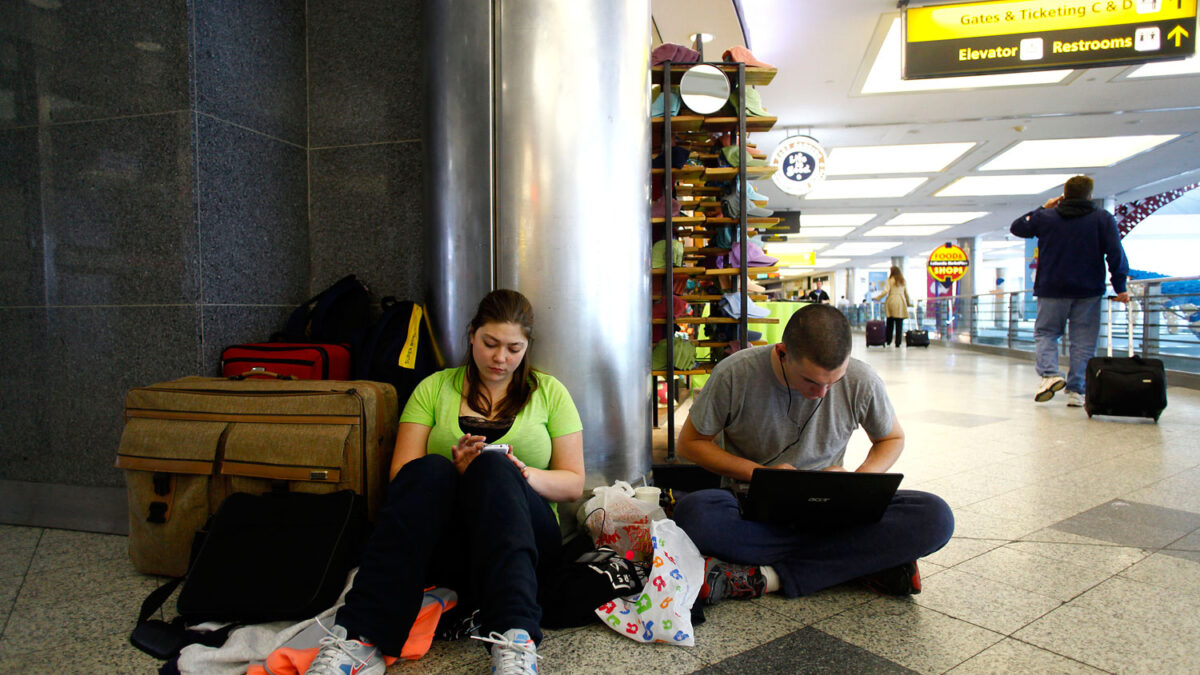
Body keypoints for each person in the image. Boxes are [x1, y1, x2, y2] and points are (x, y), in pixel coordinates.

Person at [306, 289, 584, 675]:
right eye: (489, 344)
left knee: (493, 468)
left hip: (524, 541)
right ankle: (361, 639)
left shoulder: (549, 392)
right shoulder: (434, 388)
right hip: (447, 543)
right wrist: (457, 473)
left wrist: (520, 473)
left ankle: (515, 637)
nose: (500, 358)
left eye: (513, 348)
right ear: (471, 335)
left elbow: (573, 484)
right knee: (429, 469)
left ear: (527, 348)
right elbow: (401, 476)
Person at [671, 304, 953, 603]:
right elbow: (690, 443)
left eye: (834, 381)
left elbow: (892, 438)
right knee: (695, 514)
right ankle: (862, 562)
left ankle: (768, 577)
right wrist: (760, 474)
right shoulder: (735, 373)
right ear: (782, 353)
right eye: (811, 381)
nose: (822, 393)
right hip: (754, 506)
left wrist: (858, 482)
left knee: (935, 517)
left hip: (836, 509)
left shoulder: (862, 378)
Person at [1010, 175, 1129, 407]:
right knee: (1083, 341)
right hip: (1088, 289)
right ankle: (1076, 390)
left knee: (1046, 333)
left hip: (1052, 288)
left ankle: (1050, 374)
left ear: (1063, 195)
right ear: (1090, 195)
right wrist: (1120, 287)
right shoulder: (1102, 218)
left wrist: (1042, 207)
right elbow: (1116, 254)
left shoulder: (1046, 217)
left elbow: (1018, 227)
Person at [874, 266, 912, 347]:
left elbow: (886, 291)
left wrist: (878, 298)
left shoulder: (890, 280)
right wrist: (909, 303)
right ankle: (898, 342)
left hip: (891, 300)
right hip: (901, 301)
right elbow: (906, 293)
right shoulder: (903, 280)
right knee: (899, 324)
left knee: (890, 323)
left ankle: (888, 340)